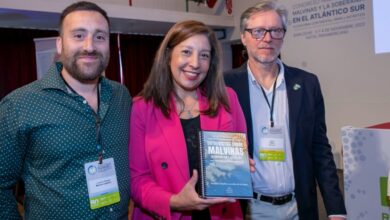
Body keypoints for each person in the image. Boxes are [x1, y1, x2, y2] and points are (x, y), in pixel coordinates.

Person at [0, 1, 131, 219]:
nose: (89, 46)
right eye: (79, 35)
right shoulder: (19, 105)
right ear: (60, 44)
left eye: (100, 37)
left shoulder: (121, 97)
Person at [224, 1, 347, 220]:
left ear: (283, 35)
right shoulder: (225, 86)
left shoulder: (307, 84)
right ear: (243, 37)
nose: (268, 38)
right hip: (251, 209)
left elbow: (320, 148)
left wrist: (336, 209)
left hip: (300, 207)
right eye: (258, 31)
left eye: (276, 30)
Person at [129, 20, 247, 220]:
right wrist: (174, 202)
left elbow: (239, 161)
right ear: (168, 56)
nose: (195, 63)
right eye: (186, 52)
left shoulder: (227, 99)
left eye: (204, 55)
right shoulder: (142, 108)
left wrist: (244, 166)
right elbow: (137, 179)